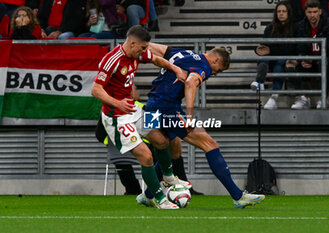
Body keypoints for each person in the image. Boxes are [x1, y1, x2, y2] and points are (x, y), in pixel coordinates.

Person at [136, 43, 265, 208]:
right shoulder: (204, 65)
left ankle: (147, 195)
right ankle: (238, 196)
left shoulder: (184, 53)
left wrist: (141, 43)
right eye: (218, 70)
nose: (215, 74)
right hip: (166, 107)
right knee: (209, 144)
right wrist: (189, 116)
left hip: (152, 105)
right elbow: (190, 83)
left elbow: (157, 48)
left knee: (172, 149)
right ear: (216, 59)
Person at [91, 25, 190, 209]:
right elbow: (95, 89)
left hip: (133, 110)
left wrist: (175, 69)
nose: (145, 51)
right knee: (146, 156)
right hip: (116, 117)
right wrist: (117, 102)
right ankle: (160, 200)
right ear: (133, 42)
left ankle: (168, 177)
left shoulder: (137, 53)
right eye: (143, 47)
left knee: (162, 141)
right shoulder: (112, 60)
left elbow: (157, 60)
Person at [291, 0, 329, 109]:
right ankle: (304, 98)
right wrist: (303, 59)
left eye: (315, 12)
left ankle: (323, 99)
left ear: (320, 12)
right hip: (308, 59)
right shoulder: (300, 26)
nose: (312, 15)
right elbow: (299, 46)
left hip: (324, 59)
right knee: (292, 66)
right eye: (310, 12)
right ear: (305, 13)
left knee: (325, 64)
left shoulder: (328, 24)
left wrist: (314, 59)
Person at [255, 1, 297, 110]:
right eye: (279, 11)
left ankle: (273, 97)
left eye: (284, 11)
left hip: (286, 59)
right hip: (272, 58)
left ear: (288, 13)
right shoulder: (270, 28)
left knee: (279, 64)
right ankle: (259, 82)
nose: (281, 14)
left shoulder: (295, 28)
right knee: (264, 58)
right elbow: (264, 46)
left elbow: (290, 49)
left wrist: (271, 49)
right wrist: (258, 50)